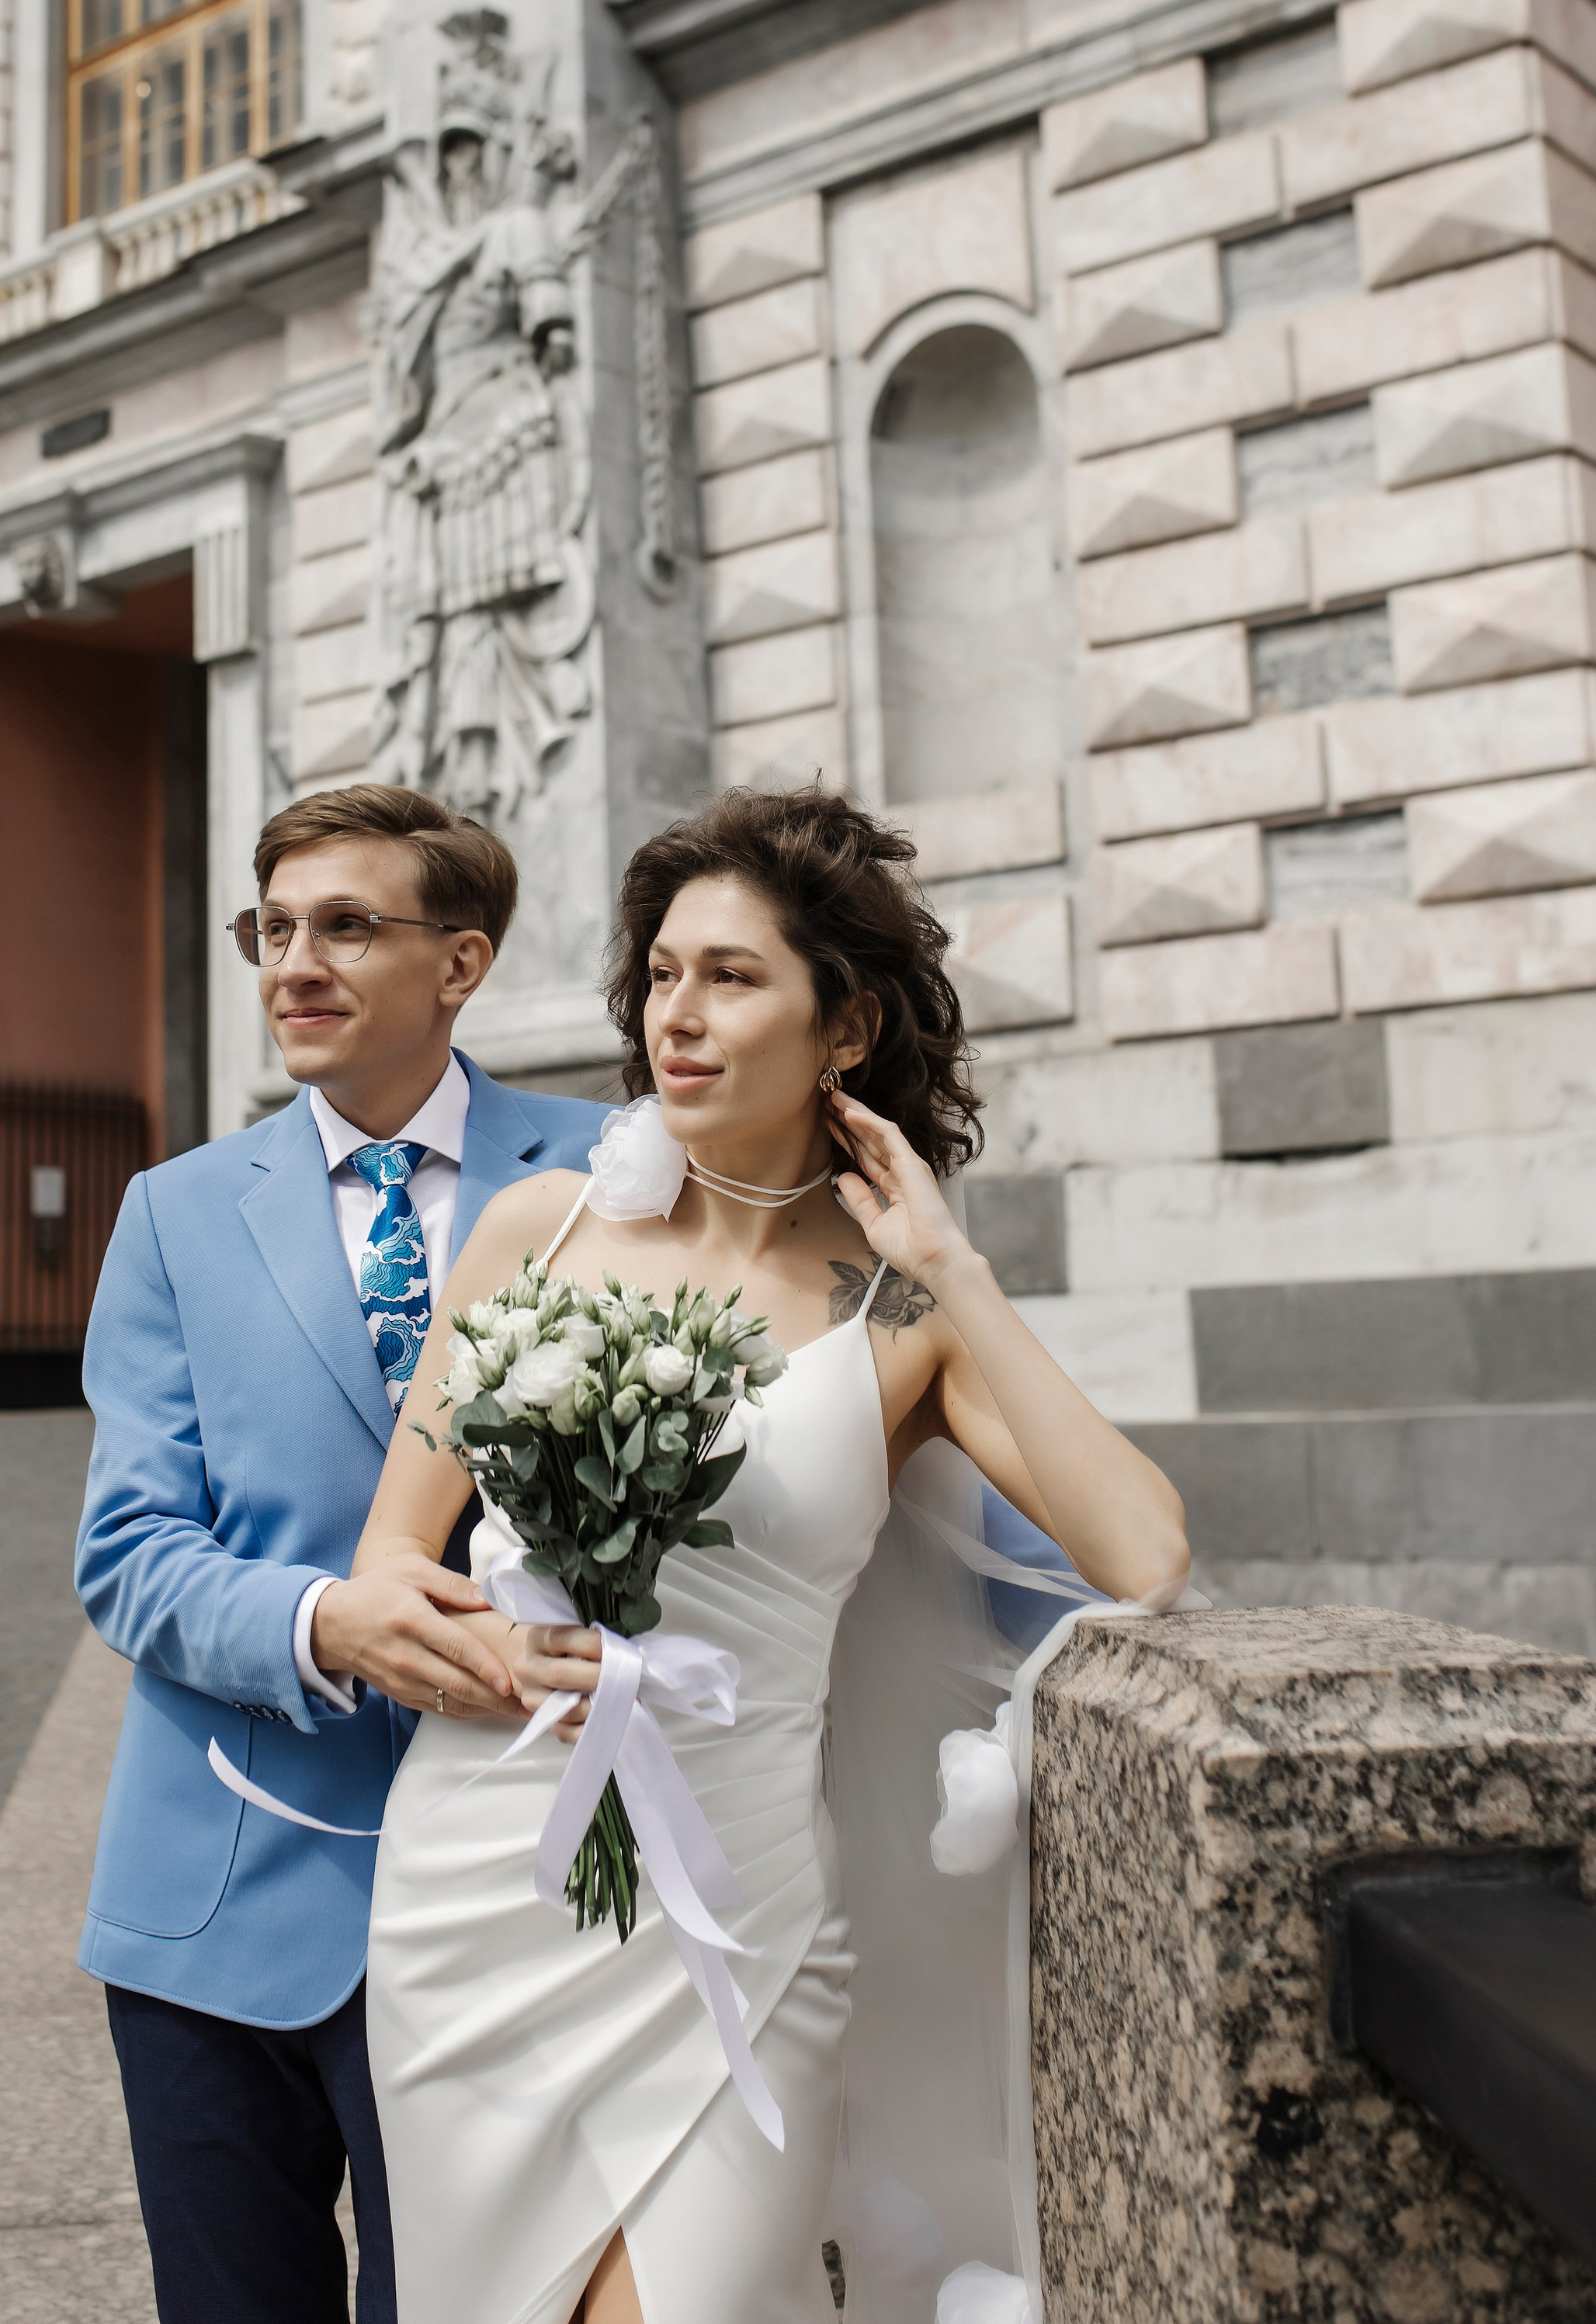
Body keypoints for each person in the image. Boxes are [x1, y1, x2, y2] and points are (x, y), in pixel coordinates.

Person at [351, 786, 1192, 2324]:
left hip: (744, 1922)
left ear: (845, 1026)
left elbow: (1141, 1552)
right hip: (480, 1885)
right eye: (660, 975)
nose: (675, 1014)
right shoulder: (530, 1232)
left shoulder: (903, 1322)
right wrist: (480, 1646)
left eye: (730, 978)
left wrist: (949, 1264)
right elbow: (390, 1567)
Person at [73, 783, 609, 2324]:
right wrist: (326, 1623)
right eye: (276, 927)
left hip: (520, 1890)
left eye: (346, 927)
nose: (294, 963)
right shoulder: (172, 1214)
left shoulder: (612, 1174)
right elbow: (127, 1554)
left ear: (461, 963)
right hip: (216, 1901)